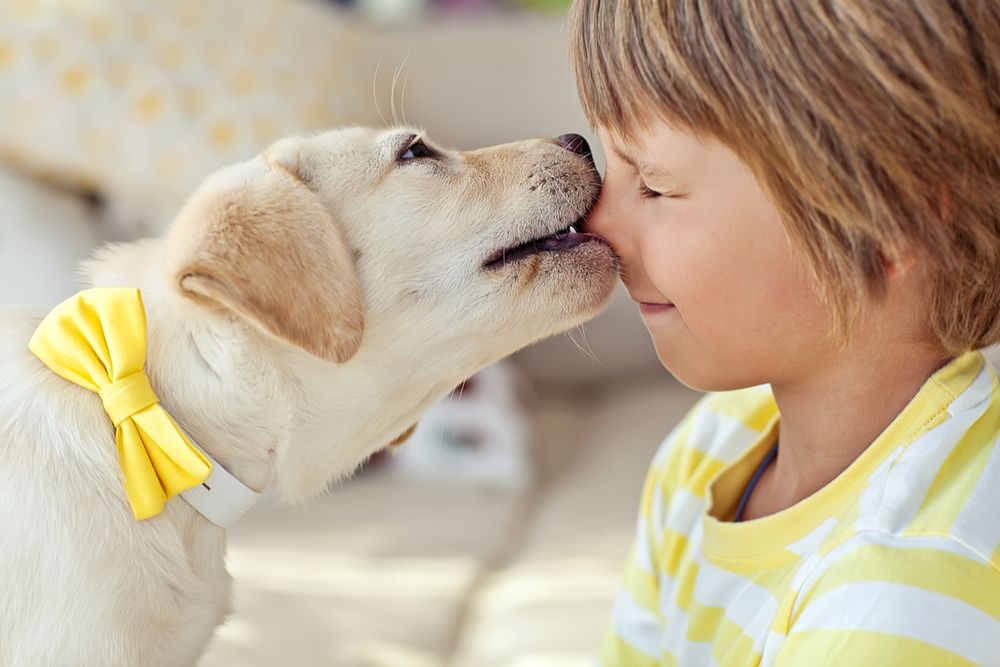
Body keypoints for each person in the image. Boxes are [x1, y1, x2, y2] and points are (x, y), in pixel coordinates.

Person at [568, 0, 1000, 664]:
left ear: (890, 218)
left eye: (653, 185)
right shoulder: (710, 452)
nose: (595, 223)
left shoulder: (906, 597)